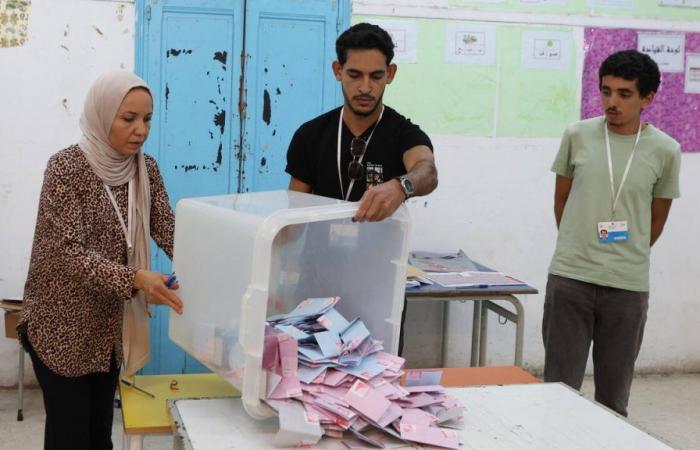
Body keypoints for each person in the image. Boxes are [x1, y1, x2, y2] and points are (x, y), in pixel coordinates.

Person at [18, 71, 184, 450]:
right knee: (70, 436)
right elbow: (68, 255)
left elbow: (168, 230)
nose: (140, 130)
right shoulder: (65, 169)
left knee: (99, 435)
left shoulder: (146, 169)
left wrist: (210, 262)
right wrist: (139, 279)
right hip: (59, 327)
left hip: (108, 328)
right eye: (128, 118)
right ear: (101, 113)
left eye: (147, 119)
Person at [543, 50, 681, 417]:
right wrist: (579, 245)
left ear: (647, 98)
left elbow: (656, 219)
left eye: (624, 94)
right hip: (571, 277)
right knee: (558, 388)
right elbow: (562, 199)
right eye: (606, 91)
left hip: (627, 285)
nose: (611, 102)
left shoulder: (666, 150)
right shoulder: (577, 135)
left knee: (613, 396)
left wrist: (624, 251)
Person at [286, 22, 438, 221]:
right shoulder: (310, 135)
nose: (365, 88)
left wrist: (401, 186)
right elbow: (293, 214)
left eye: (376, 76)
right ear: (338, 70)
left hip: (381, 251)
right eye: (354, 75)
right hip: (318, 250)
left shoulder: (403, 133)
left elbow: (427, 171)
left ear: (390, 74)